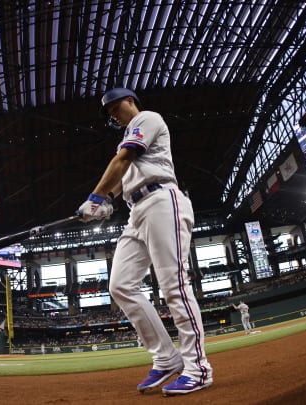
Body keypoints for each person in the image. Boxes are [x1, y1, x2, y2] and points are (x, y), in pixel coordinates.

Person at [76, 88, 212, 395]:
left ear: (130, 101)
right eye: (107, 111)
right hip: (137, 211)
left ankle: (198, 368)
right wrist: (106, 203)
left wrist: (95, 197)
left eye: (114, 106)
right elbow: (124, 179)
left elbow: (123, 159)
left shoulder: (147, 118)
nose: (111, 113)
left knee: (174, 286)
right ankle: (166, 357)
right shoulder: (128, 136)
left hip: (163, 201)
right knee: (120, 285)